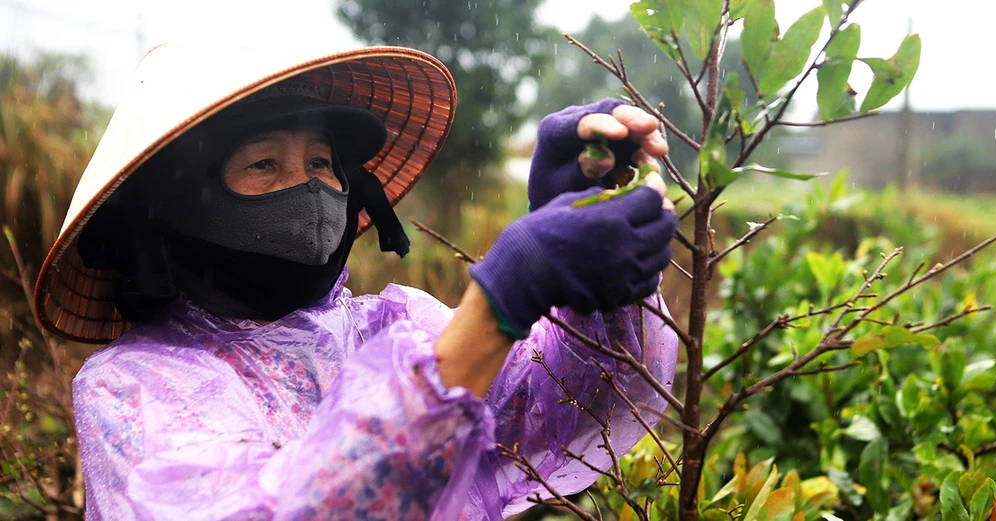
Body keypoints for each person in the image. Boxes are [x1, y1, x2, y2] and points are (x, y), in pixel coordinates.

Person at [33, 42, 679, 520]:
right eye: (265, 162)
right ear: (180, 204)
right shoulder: (131, 389)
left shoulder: (387, 326)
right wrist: (495, 306)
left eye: (322, 162)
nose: (311, 187)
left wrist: (591, 261)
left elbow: (571, 405)